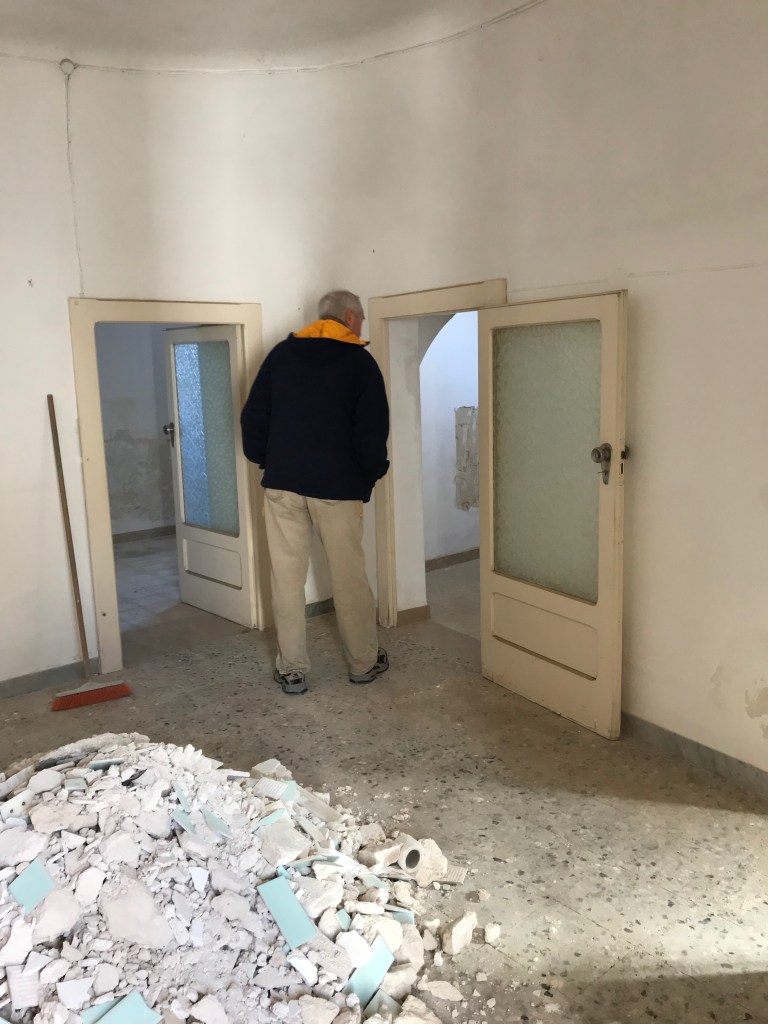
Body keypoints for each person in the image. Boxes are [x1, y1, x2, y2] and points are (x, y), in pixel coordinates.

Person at [241, 290, 390, 695]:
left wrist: (268, 461)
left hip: (283, 486)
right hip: (337, 490)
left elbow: (254, 418)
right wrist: (370, 475)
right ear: (349, 316)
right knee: (349, 577)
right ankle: (362, 663)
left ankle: (292, 670)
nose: (361, 326)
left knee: (286, 579)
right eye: (361, 319)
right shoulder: (359, 363)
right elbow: (372, 431)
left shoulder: (281, 356)